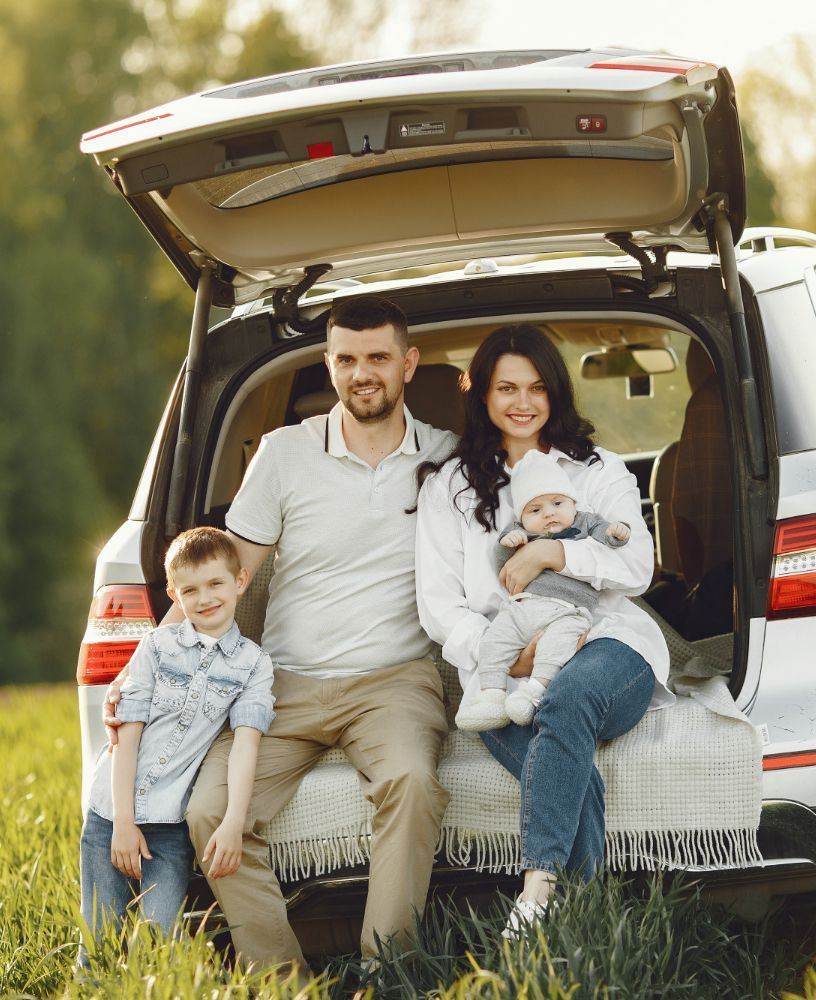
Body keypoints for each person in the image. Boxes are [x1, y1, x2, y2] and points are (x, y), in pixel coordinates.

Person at [104, 295, 456, 972]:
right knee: (208, 809)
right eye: (347, 359)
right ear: (328, 364)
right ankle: (284, 981)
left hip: (395, 682)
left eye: (378, 357)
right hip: (283, 683)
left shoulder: (445, 458)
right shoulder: (284, 453)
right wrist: (140, 667)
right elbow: (224, 577)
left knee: (412, 780)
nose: (363, 373)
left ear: (408, 364)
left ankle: (388, 972)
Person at [414, 323, 672, 936]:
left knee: (570, 693)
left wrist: (557, 556)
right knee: (560, 750)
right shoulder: (449, 487)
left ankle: (535, 890)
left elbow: (635, 565)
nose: (522, 402)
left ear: (555, 392)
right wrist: (506, 654)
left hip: (607, 641)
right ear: (480, 394)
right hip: (501, 668)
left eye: (536, 388)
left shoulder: (596, 470)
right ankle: (588, 930)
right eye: (506, 388)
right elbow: (439, 607)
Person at [78, 526, 274, 966]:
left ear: (240, 581)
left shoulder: (253, 666)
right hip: (112, 813)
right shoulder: (155, 648)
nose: (205, 599)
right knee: (99, 947)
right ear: (174, 594)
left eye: (215, 584)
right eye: (190, 590)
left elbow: (246, 747)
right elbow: (126, 738)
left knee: (156, 947)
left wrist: (232, 823)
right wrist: (123, 824)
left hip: (170, 828)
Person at [454, 447, 632, 732]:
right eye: (535, 510)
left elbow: (608, 539)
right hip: (523, 607)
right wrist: (509, 543)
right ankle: (492, 696)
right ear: (522, 517)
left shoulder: (585, 522)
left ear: (573, 503)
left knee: (556, 648)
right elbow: (504, 567)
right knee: (493, 642)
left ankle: (531, 693)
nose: (549, 514)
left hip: (568, 611)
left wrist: (616, 533)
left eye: (558, 503)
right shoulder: (521, 533)